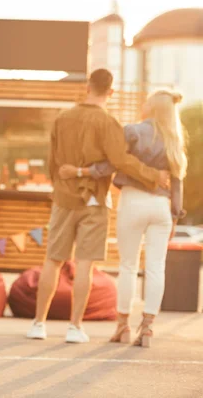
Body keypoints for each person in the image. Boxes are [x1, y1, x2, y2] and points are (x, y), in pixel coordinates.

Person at [26, 68, 171, 343]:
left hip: (63, 198)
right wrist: (155, 176)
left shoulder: (62, 118)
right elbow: (121, 161)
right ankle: (74, 327)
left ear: (87, 87)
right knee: (84, 264)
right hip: (95, 201)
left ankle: (38, 324)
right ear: (111, 92)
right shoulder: (109, 123)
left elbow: (52, 162)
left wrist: (61, 184)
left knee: (53, 260)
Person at [58, 89, 187, 347]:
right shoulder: (175, 139)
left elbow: (112, 163)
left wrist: (83, 171)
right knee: (155, 268)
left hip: (133, 202)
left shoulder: (133, 132)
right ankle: (148, 329)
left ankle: (122, 327)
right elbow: (177, 184)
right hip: (162, 207)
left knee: (128, 266)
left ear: (149, 108)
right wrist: (174, 216)